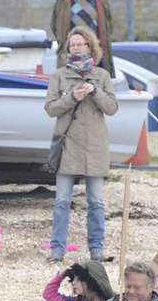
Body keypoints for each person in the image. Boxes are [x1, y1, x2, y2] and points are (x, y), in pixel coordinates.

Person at [45, 27, 119, 263]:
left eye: (81, 44)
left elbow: (112, 108)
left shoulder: (102, 75)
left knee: (96, 201)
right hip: (68, 144)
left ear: (90, 47)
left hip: (95, 145)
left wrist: (95, 92)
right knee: (62, 201)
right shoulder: (58, 76)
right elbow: (50, 109)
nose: (76, 47)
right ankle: (57, 250)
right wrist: (72, 97)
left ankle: (96, 249)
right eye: (73, 44)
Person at [50, 0, 115, 74]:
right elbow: (54, 26)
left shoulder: (101, 0)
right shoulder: (62, 1)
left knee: (96, 87)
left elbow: (109, 26)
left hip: (96, 56)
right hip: (71, 55)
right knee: (71, 86)